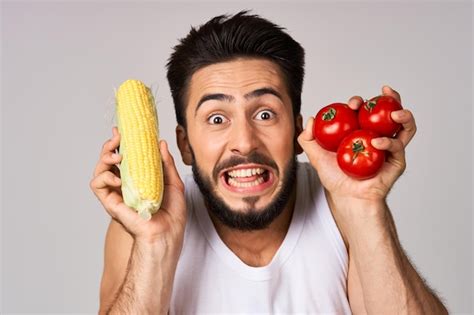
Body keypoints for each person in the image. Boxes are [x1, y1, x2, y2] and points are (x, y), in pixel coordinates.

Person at [90, 11, 448, 314]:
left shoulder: (341, 207)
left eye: (264, 114)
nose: (244, 142)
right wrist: (155, 248)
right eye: (217, 118)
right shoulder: (143, 226)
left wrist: (364, 208)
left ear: (296, 131)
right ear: (185, 144)